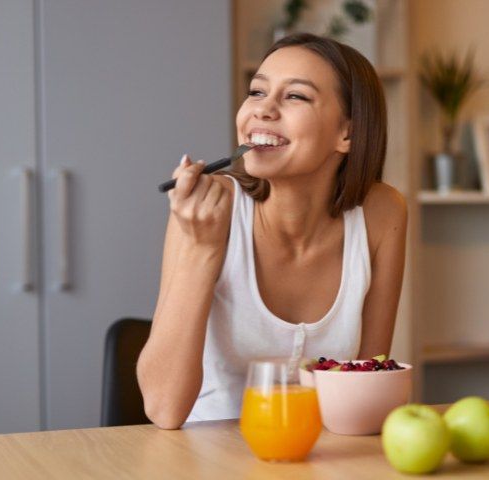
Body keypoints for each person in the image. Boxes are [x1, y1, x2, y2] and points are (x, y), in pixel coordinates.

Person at [137, 33, 407, 429]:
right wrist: (202, 248)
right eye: (257, 91)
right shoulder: (209, 210)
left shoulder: (382, 213)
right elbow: (163, 409)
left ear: (347, 133)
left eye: (295, 96)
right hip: (204, 457)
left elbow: (365, 388)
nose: (262, 110)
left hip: (322, 456)